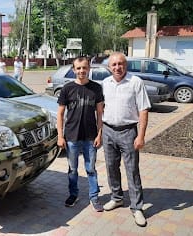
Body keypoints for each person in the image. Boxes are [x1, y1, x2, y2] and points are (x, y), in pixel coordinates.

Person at [101, 52, 151, 227]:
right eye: (113, 65)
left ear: (126, 65)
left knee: (132, 170)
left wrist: (141, 136)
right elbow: (101, 109)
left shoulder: (135, 82)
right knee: (111, 167)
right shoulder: (105, 83)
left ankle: (137, 207)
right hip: (108, 131)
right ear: (109, 67)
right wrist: (100, 132)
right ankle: (117, 197)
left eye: (120, 64)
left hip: (128, 132)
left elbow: (144, 110)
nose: (117, 67)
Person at [56, 56, 105, 212]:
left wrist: (99, 134)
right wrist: (60, 136)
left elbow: (100, 113)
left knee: (91, 169)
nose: (81, 71)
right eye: (78, 68)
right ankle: (73, 195)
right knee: (72, 169)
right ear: (73, 70)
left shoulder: (96, 88)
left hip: (90, 137)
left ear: (89, 69)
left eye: (84, 68)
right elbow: (60, 114)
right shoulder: (67, 88)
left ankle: (94, 197)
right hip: (71, 136)